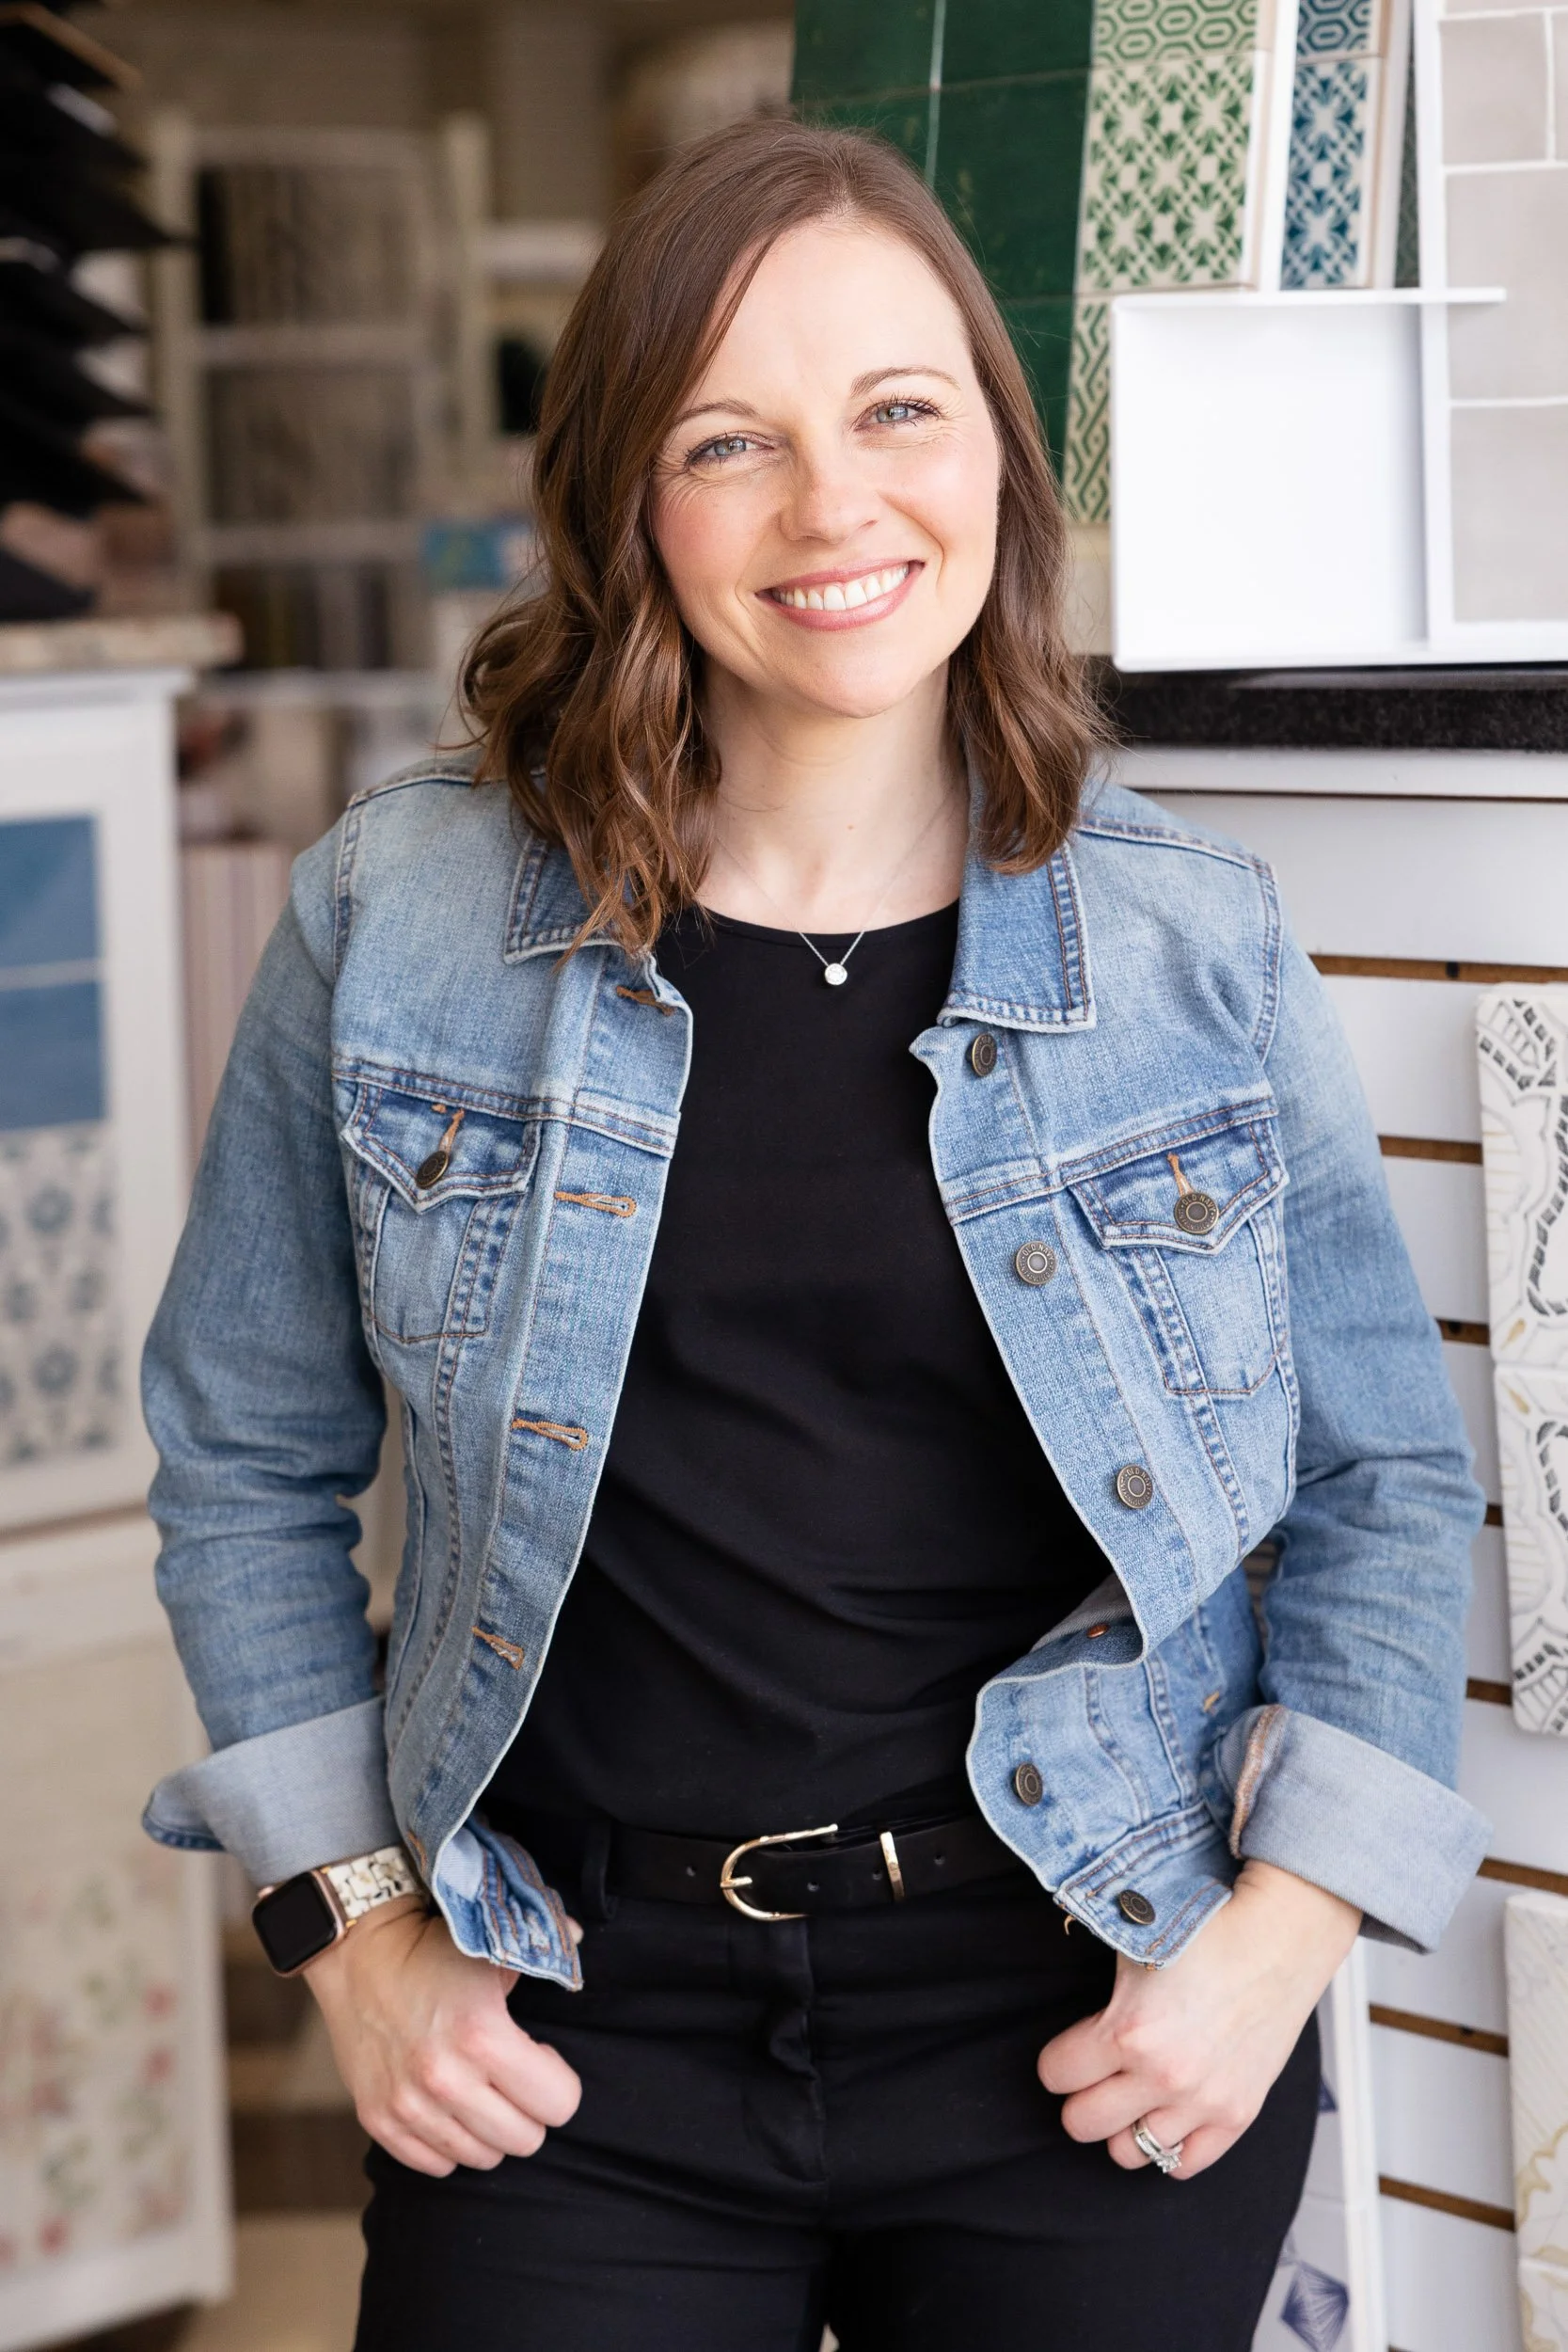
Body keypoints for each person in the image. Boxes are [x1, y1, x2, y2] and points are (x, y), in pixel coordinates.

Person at [142, 119, 1488, 2352]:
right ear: (623, 501)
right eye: (726, 438)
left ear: (993, 458)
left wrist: (1276, 1940)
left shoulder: (1188, 946)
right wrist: (357, 1938)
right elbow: (242, 1451)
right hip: (570, 2031)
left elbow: (1377, 1473)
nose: (832, 506)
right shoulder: (405, 916)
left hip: (1085, 2004)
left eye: (895, 411)